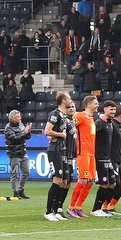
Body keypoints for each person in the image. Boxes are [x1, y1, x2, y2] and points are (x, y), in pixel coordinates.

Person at [44, 92, 75, 221]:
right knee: (57, 180)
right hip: (55, 150)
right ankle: (48, 211)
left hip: (62, 150)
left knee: (63, 181)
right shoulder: (55, 114)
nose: (71, 101)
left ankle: (57, 210)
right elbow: (47, 131)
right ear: (63, 101)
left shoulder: (63, 116)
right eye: (69, 99)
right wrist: (61, 135)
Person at [67, 95, 99, 218]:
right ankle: (71, 207)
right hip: (83, 153)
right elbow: (70, 124)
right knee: (83, 180)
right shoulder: (80, 116)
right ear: (88, 104)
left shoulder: (91, 118)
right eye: (95, 103)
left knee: (90, 181)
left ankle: (79, 207)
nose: (97, 105)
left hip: (91, 154)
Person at [90, 101, 117, 217]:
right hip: (100, 158)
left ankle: (102, 208)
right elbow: (91, 136)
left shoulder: (110, 123)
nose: (113, 112)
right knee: (104, 184)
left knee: (113, 184)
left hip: (108, 158)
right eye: (111, 109)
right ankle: (95, 209)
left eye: (114, 110)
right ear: (105, 110)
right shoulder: (99, 123)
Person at [5, 110, 32, 199]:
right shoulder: (8, 128)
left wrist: (28, 131)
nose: (20, 118)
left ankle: (21, 190)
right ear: (13, 118)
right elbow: (14, 139)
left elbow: (27, 137)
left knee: (26, 172)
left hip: (23, 153)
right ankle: (15, 191)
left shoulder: (21, 125)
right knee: (15, 174)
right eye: (18, 116)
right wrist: (25, 132)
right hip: (14, 154)